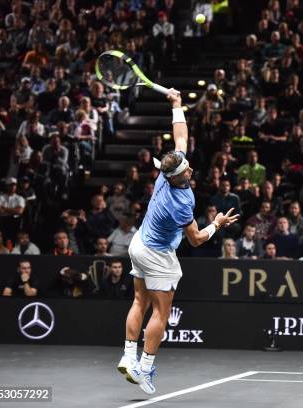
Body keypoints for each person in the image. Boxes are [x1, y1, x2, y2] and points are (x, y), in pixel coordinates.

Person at [120, 90, 239, 395]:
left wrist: (176, 105)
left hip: (138, 244)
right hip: (158, 255)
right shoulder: (182, 202)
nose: (190, 168)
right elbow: (197, 240)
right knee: (160, 313)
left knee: (138, 301)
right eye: (186, 169)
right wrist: (217, 223)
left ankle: (128, 356)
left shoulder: (166, 173)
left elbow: (181, 135)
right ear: (178, 177)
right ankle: (145, 368)